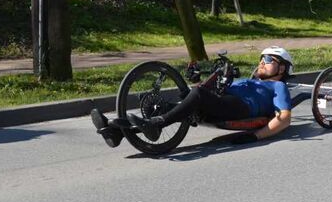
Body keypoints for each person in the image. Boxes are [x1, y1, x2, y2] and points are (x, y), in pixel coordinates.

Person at [91, 46, 295, 148]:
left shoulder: (278, 86)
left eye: (269, 59)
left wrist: (255, 136)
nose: (262, 62)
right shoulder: (249, 80)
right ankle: (117, 131)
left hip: (241, 108)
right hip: (221, 101)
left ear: (283, 68)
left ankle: (156, 125)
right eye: (261, 58)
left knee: (197, 94)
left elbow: (284, 118)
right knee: (173, 104)